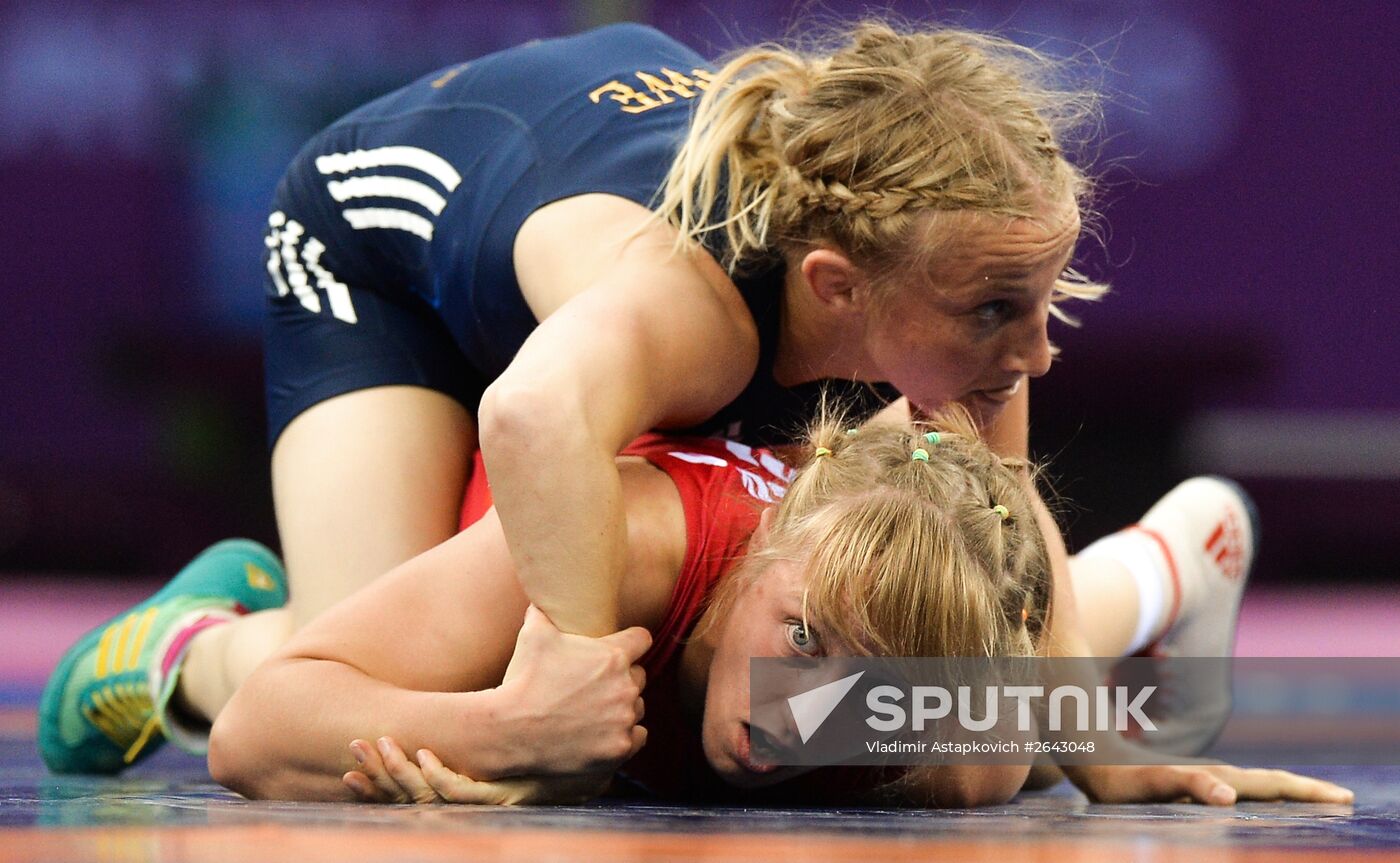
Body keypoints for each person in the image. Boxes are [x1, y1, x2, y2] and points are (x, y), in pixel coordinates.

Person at [40, 17, 1151, 783]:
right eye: (1001, 311)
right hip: (376, 257)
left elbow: (1003, 533)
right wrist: (558, 687)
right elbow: (528, 417)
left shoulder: (929, 310)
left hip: (566, 264)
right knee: (396, 659)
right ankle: (194, 645)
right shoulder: (693, 315)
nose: (1038, 353)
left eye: (1039, 304)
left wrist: (1099, 754)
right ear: (836, 288)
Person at [206, 414, 1351, 807]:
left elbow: (1013, 563)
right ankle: (185, 628)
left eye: (861, 688)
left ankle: (1171, 552)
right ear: (756, 562)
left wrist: (1098, 735)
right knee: (309, 636)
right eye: (800, 638)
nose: (797, 710)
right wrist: (508, 731)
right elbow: (256, 730)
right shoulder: (631, 543)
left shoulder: (950, 748)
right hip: (479, 512)